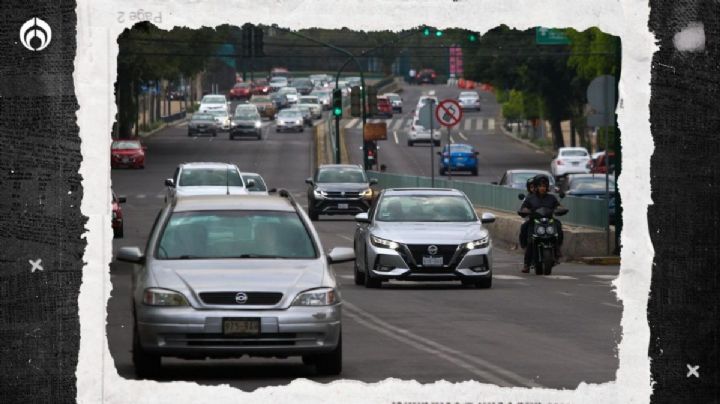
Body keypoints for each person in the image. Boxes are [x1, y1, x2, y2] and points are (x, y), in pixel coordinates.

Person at [519, 175, 564, 273]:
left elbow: (558, 206)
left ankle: (558, 249)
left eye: (544, 186)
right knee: (530, 241)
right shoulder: (530, 198)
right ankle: (527, 263)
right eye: (540, 186)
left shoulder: (552, 198)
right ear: (536, 187)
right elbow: (524, 207)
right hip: (535, 222)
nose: (542, 188)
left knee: (559, 225)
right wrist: (525, 210)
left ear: (547, 187)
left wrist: (560, 209)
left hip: (549, 221)